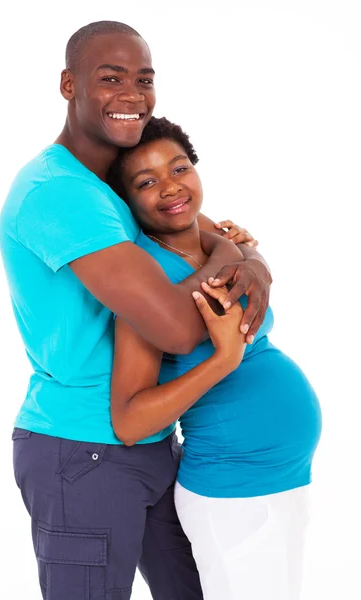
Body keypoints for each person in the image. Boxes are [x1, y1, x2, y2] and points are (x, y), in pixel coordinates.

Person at [0, 21, 272, 600]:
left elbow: (196, 226)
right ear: (69, 85)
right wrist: (238, 257)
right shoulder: (59, 193)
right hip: (83, 451)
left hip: (152, 441)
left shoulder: (107, 184)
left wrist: (242, 251)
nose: (133, 94)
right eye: (111, 78)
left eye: (144, 79)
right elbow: (173, 327)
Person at [108, 116, 322, 600]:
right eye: (146, 182)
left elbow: (249, 260)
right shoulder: (148, 282)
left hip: (285, 478)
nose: (170, 187)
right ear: (126, 202)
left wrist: (249, 256)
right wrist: (222, 361)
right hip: (233, 490)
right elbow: (130, 421)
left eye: (178, 168)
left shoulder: (211, 242)